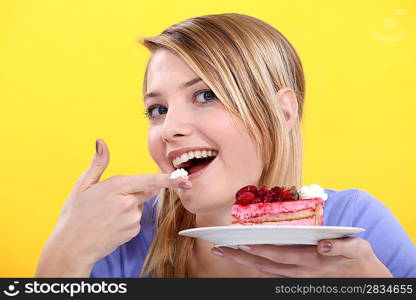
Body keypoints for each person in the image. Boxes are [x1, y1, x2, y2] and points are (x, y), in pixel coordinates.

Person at [35, 13, 416, 278]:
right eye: (157, 109)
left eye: (205, 96)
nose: (170, 129)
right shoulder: (122, 239)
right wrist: (65, 254)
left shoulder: (355, 225)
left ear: (282, 113)